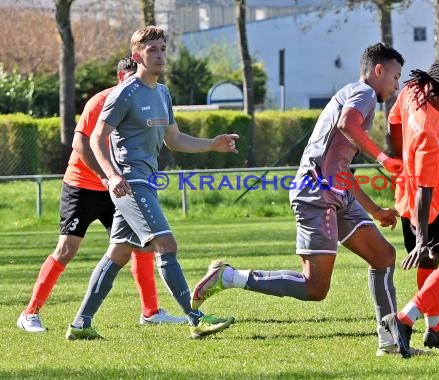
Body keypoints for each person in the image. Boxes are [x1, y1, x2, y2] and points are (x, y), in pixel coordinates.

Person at [191, 42, 411, 356]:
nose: (396, 85)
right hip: (316, 192)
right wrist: (382, 158)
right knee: (315, 288)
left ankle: (390, 344)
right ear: (378, 71)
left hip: (336, 191)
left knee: (383, 256)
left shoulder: (354, 94)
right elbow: (346, 124)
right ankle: (228, 277)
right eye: (395, 77)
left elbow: (341, 166)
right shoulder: (363, 94)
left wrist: (374, 210)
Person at [65, 25, 239, 340]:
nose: (159, 55)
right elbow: (96, 139)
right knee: (166, 245)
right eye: (151, 50)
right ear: (137, 56)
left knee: (118, 253)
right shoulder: (125, 93)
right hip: (131, 182)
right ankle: (195, 319)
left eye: (162, 49)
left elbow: (174, 139)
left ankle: (80, 324)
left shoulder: (163, 93)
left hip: (145, 181)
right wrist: (112, 175)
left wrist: (212, 144)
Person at [17, 56, 185, 334]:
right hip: (83, 186)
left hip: (118, 186)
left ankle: (151, 312)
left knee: (140, 243)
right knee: (67, 250)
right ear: (122, 78)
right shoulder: (102, 101)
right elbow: (81, 143)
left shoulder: (147, 97)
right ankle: (30, 313)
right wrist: (107, 176)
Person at [381, 57, 439, 358]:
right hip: (434, 204)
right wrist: (421, 239)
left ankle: (435, 330)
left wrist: (398, 157)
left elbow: (393, 120)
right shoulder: (428, 133)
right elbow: (425, 190)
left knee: (430, 264)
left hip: (411, 199)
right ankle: (404, 319)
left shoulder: (413, 89)